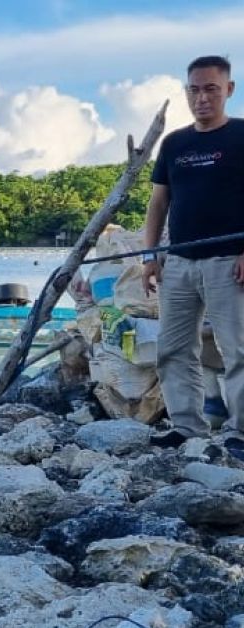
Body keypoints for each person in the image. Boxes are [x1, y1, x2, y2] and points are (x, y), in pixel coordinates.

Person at [143, 55, 244, 456]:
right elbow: (158, 202)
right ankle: (187, 426)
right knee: (173, 348)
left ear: (229, 90)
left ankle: (240, 431)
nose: (202, 98)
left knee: (237, 350)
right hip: (179, 262)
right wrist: (150, 255)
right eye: (195, 90)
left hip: (229, 262)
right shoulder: (175, 143)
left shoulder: (241, 136)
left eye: (211, 89)